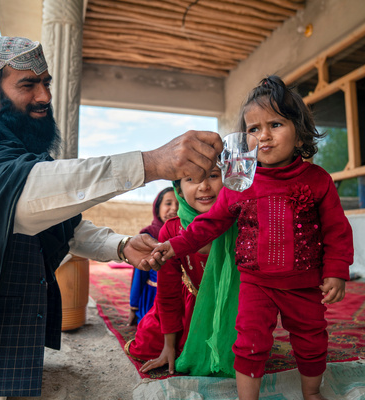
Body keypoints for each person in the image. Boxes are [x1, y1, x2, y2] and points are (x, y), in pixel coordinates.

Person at [0, 36, 223, 398]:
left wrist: (120, 245)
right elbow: (22, 201)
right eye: (27, 84)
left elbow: (51, 223)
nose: (44, 97)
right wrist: (150, 163)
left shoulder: (13, 147)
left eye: (46, 83)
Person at [152, 75, 354, 400]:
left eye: (275, 124)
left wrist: (335, 272)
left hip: (304, 284)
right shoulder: (239, 183)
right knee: (249, 342)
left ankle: (312, 392)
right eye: (254, 129)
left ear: (299, 131)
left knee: (312, 338)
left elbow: (336, 229)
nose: (264, 136)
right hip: (256, 283)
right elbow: (211, 224)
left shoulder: (317, 180)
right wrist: (173, 245)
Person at [125, 166, 239, 378]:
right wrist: (169, 346)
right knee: (147, 344)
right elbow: (168, 294)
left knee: (243, 351)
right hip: (189, 305)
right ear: (178, 189)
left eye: (213, 176)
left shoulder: (240, 222)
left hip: (232, 307)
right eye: (192, 178)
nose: (204, 186)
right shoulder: (171, 230)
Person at [127, 187, 179, 326]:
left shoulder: (187, 235)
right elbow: (139, 275)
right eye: (168, 203)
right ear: (157, 208)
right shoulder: (149, 236)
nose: (174, 208)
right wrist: (134, 306)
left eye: (179, 203)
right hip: (153, 297)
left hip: (179, 297)